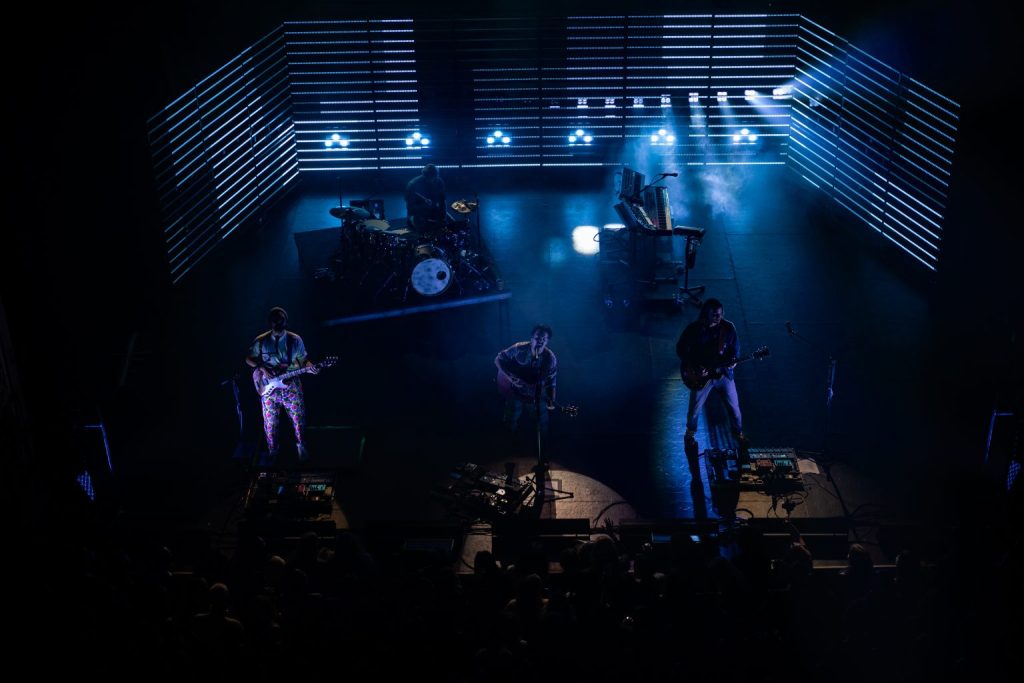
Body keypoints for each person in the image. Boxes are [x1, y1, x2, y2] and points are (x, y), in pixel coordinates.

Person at [245, 307, 318, 462]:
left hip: (291, 385)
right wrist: (262, 368)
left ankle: (301, 448)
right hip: (268, 389)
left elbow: (304, 360)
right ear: (270, 322)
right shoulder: (261, 340)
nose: (278, 323)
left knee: (298, 419)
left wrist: (311, 367)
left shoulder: (295, 340)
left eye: (281, 320)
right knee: (270, 425)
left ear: (286, 321)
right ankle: (273, 454)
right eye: (275, 320)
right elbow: (248, 358)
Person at [675, 298, 746, 449]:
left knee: (734, 407)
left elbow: (735, 349)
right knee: (695, 408)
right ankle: (690, 434)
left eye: (719, 314)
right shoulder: (695, 329)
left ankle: (738, 434)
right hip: (703, 376)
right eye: (714, 315)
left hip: (723, 375)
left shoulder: (728, 328)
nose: (717, 318)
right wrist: (695, 366)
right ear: (706, 314)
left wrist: (733, 360)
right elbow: (680, 348)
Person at [495, 325, 557, 434]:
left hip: (534, 396)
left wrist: (551, 400)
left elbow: (552, 382)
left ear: (547, 341)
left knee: (541, 426)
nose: (540, 342)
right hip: (513, 391)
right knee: (510, 422)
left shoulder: (550, 359)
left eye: (544, 339)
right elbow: (498, 359)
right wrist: (510, 378)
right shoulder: (518, 348)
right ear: (531, 338)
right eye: (537, 338)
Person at [404, 163, 446, 231]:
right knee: (423, 229)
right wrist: (424, 206)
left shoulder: (439, 181)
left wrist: (443, 217)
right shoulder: (413, 185)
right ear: (424, 175)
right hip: (417, 215)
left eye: (435, 177)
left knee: (449, 225)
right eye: (430, 177)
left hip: (434, 212)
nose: (433, 180)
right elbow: (410, 208)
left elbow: (442, 202)